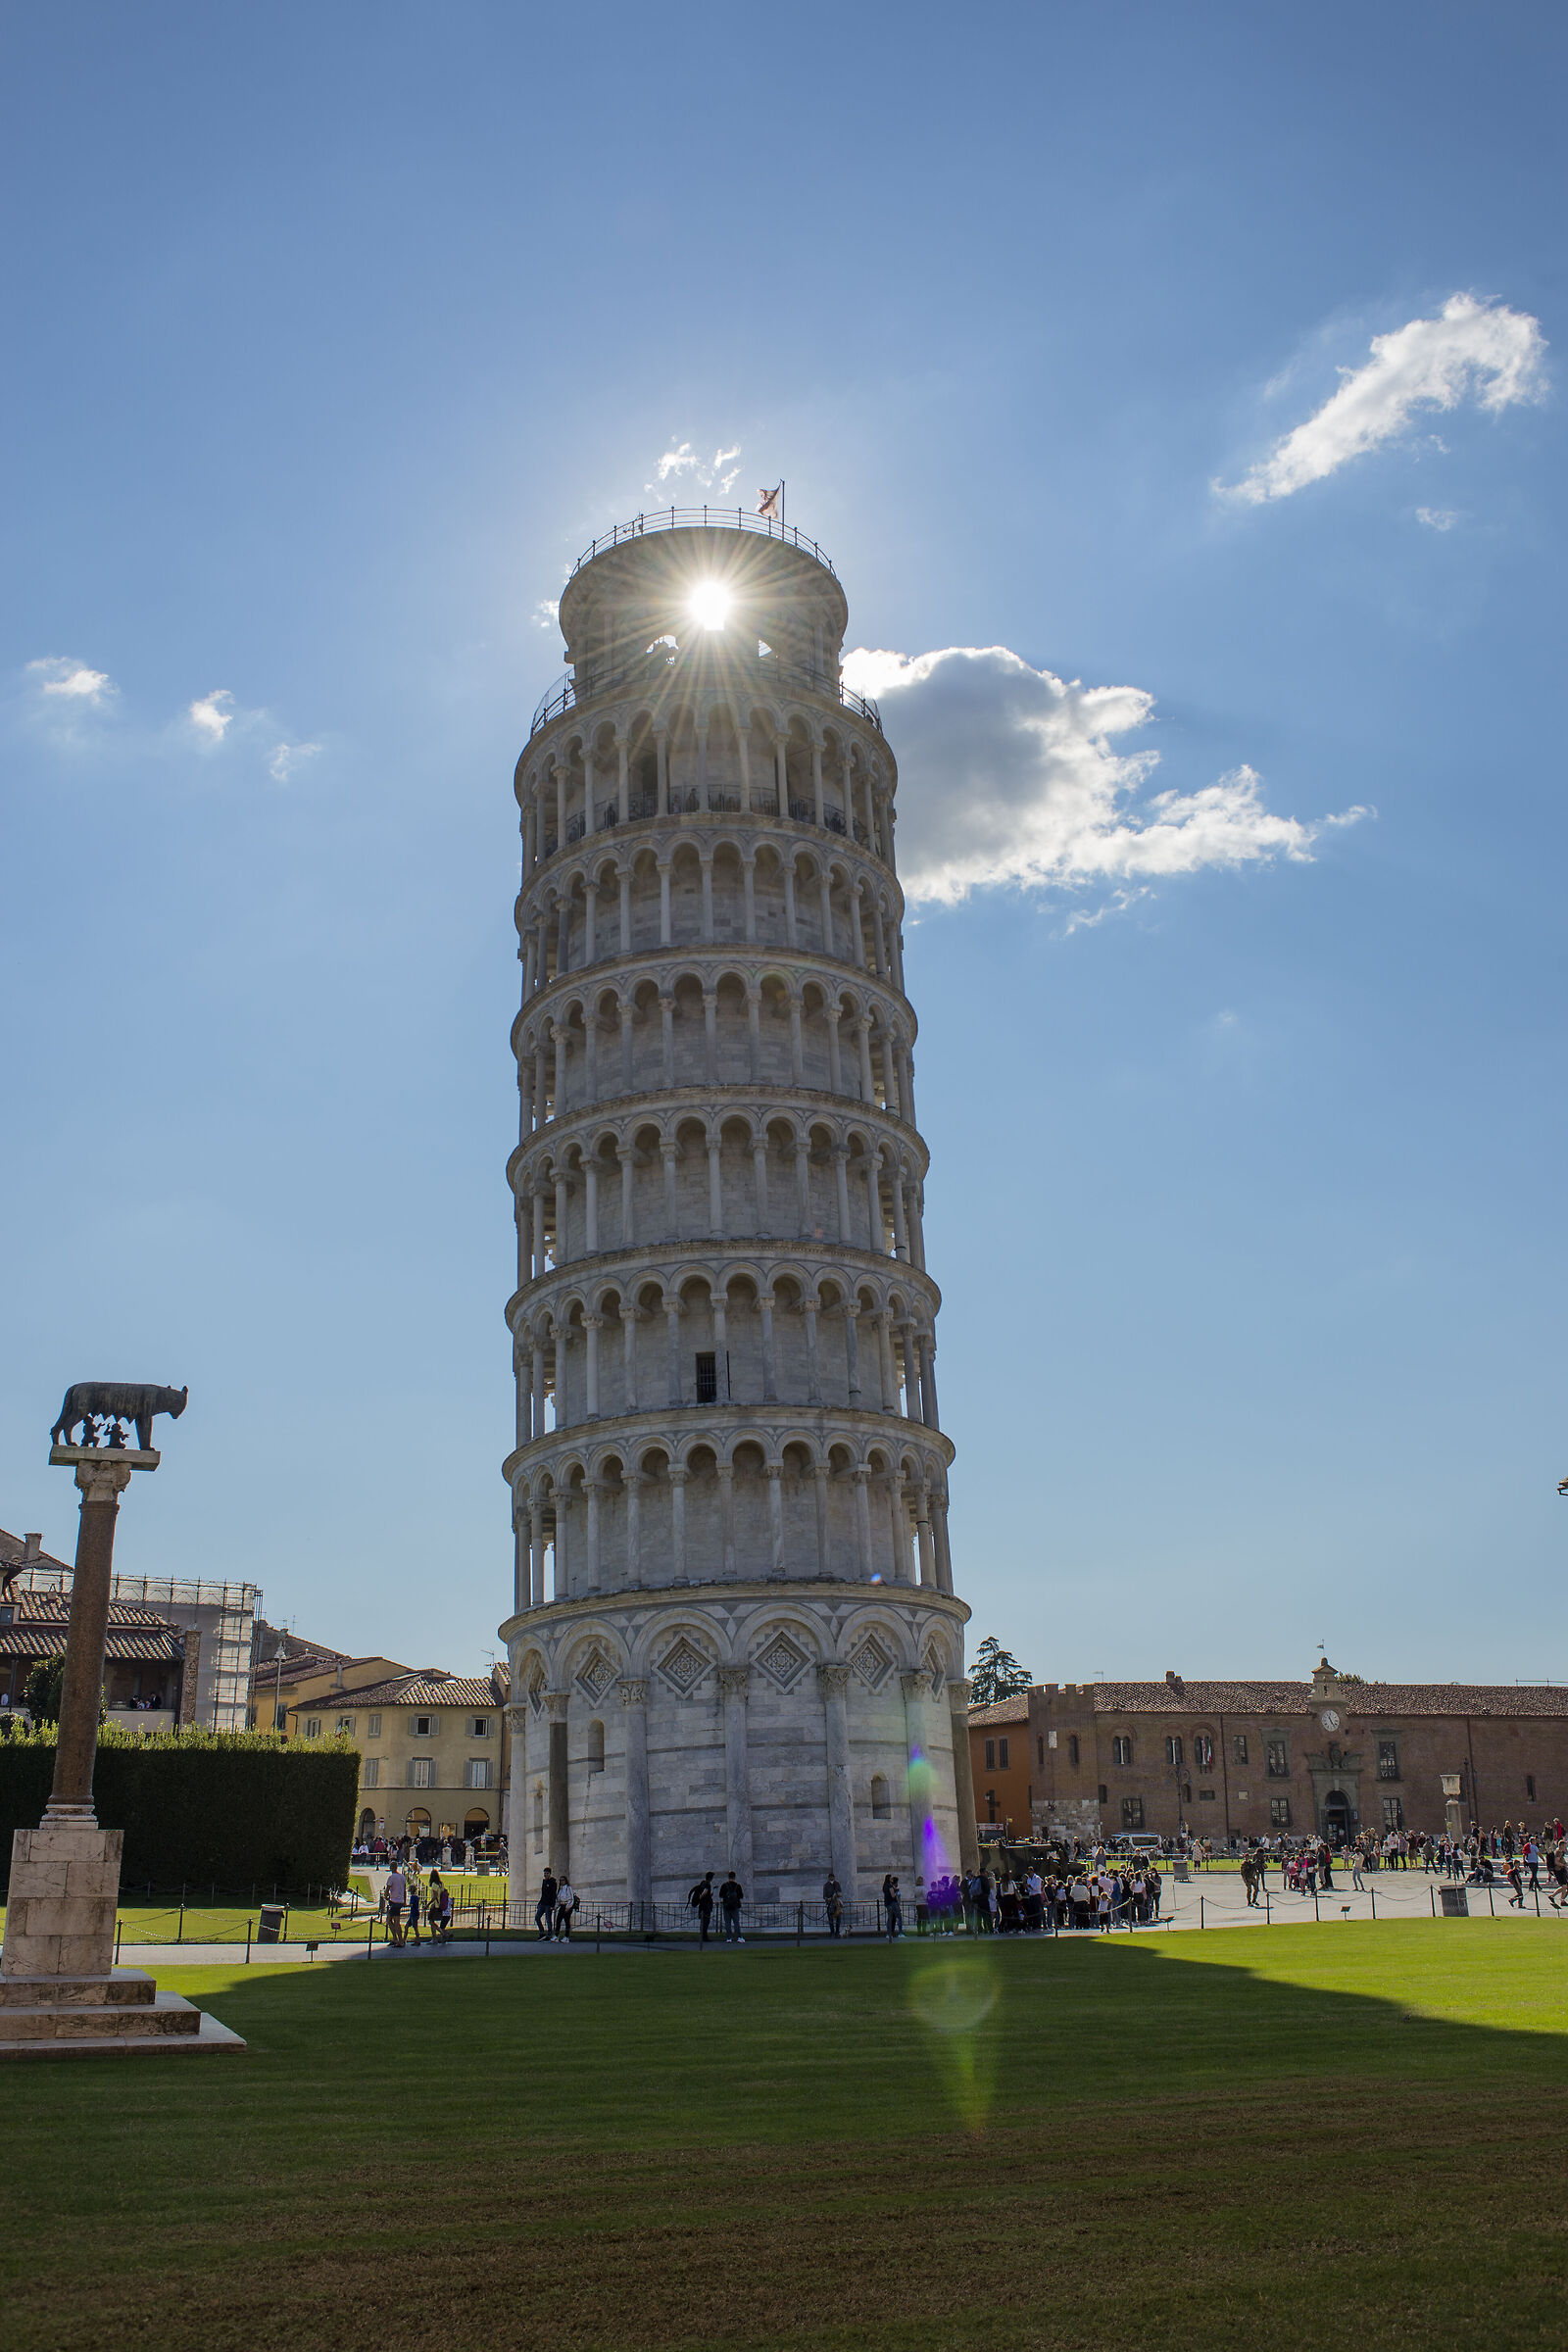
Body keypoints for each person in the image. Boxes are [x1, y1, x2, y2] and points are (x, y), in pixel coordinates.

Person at [688, 1871, 715, 1946]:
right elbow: (705, 1892)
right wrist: (701, 1897)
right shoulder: (707, 1884)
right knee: (706, 1921)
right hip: (706, 1906)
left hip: (702, 1905)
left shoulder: (703, 1883)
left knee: (703, 1921)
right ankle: (704, 1937)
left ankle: (703, 1935)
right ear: (711, 1878)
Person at [384, 1862, 407, 1948]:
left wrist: (386, 1896)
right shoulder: (402, 1877)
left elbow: (387, 1889)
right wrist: (404, 1901)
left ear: (391, 1867)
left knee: (396, 1922)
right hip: (400, 1901)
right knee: (389, 1920)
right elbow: (404, 1890)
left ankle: (400, 1941)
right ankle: (395, 1938)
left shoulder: (391, 1877)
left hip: (394, 1901)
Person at [718, 1871, 745, 1943]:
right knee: (736, 1922)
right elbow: (741, 1896)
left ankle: (729, 1938)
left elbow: (721, 1895)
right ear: (734, 1877)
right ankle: (739, 1937)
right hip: (735, 1906)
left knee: (727, 1923)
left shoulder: (724, 1885)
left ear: (728, 1877)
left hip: (726, 1906)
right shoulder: (737, 1886)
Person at [535, 1868, 558, 1941]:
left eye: (547, 1873)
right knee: (537, 1917)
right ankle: (542, 1932)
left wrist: (552, 1905)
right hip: (542, 1903)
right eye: (545, 1873)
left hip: (548, 1904)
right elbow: (543, 1894)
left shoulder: (553, 1882)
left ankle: (549, 1934)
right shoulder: (544, 1881)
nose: (545, 1875)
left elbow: (553, 1894)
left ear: (550, 1874)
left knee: (548, 1919)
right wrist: (540, 1903)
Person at [555, 1874, 578, 1939]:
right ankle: (556, 1935)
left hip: (567, 1906)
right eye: (560, 1880)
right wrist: (555, 1907)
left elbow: (571, 1898)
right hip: (562, 1906)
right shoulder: (560, 1889)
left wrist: (568, 1907)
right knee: (558, 1921)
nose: (561, 1881)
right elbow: (558, 1899)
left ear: (566, 1881)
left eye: (563, 1880)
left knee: (567, 1921)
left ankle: (566, 1936)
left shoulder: (568, 1888)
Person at [822, 1870, 845, 1936]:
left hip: (837, 1904)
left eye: (832, 1877)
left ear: (834, 1877)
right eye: (830, 1877)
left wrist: (836, 1895)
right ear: (829, 1878)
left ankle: (837, 1932)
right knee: (830, 1919)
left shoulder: (837, 1884)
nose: (831, 1878)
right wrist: (827, 1899)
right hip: (830, 1904)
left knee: (838, 1919)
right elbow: (824, 1895)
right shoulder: (826, 1885)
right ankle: (832, 1932)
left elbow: (840, 1893)